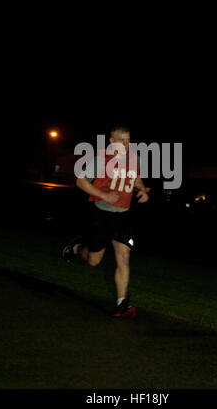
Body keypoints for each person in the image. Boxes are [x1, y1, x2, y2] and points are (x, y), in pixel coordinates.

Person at [62, 123, 149, 318]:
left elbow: (135, 178)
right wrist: (104, 195)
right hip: (102, 214)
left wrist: (142, 190)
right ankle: (77, 248)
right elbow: (81, 180)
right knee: (94, 261)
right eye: (121, 140)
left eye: (128, 140)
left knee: (124, 256)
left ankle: (121, 304)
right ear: (112, 141)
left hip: (124, 215)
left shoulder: (134, 159)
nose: (126, 144)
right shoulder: (102, 159)